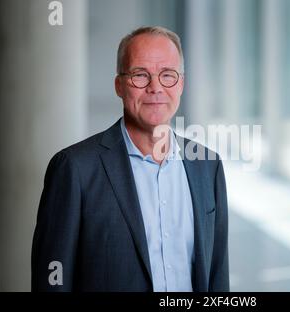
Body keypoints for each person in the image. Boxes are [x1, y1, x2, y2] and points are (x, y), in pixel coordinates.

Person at [31, 26, 229, 292]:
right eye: (140, 75)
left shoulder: (208, 166)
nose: (155, 87)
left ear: (181, 84)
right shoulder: (74, 169)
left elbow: (217, 276)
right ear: (119, 86)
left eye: (167, 75)